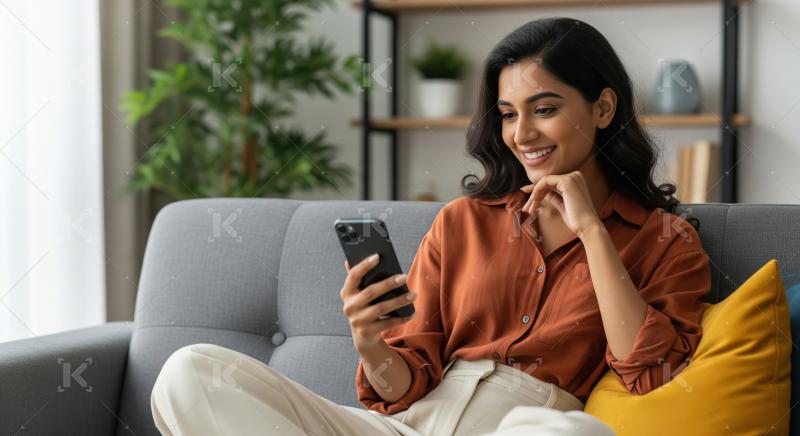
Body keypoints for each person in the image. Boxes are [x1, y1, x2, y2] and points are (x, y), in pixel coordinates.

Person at [150, 16, 711, 436]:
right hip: (412, 423)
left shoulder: (665, 240)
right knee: (192, 371)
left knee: (575, 434)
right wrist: (370, 343)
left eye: (544, 109)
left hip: (529, 424)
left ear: (604, 108)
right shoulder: (463, 222)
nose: (522, 135)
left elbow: (650, 371)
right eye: (509, 114)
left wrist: (592, 232)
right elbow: (404, 384)